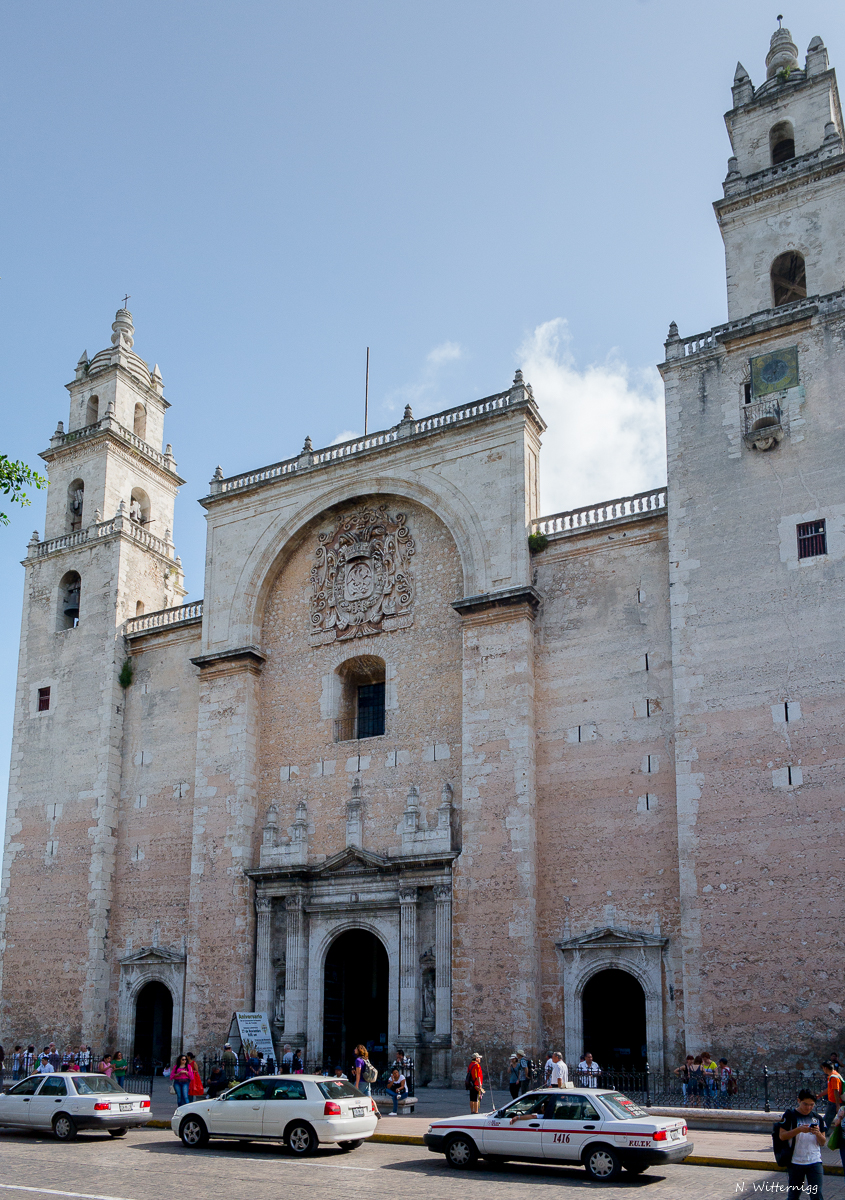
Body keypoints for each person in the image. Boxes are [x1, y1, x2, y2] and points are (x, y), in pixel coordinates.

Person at [778, 1088, 826, 1200]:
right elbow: (782, 1136)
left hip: (814, 1161)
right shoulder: (789, 1115)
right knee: (794, 1195)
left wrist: (818, 1133)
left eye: (811, 1105)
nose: (808, 1108)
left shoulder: (817, 1118)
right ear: (798, 1100)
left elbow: (823, 1142)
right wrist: (798, 1130)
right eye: (805, 1104)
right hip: (795, 1162)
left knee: (816, 1195)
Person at [819, 1060, 843, 1128]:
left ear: (825, 1068)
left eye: (823, 1068)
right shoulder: (833, 1075)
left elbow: (836, 1091)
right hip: (833, 1102)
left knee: (826, 1122)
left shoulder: (834, 1077)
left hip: (833, 1103)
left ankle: (823, 1135)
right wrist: (820, 1095)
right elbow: (830, 1089)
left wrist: (837, 1105)